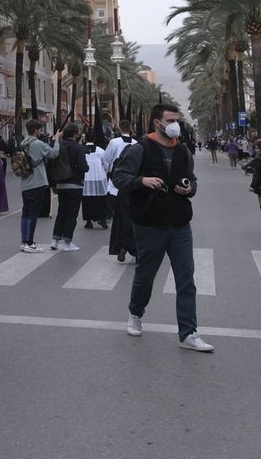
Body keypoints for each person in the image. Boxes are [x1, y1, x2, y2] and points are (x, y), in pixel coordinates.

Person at [110, 104, 213, 353]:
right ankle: (135, 314)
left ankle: (188, 333)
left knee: (186, 279)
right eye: (170, 120)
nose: (175, 124)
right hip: (149, 224)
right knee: (146, 276)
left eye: (177, 119)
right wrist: (141, 180)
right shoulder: (139, 149)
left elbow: (193, 178)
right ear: (157, 123)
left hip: (180, 224)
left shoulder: (183, 150)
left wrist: (190, 189)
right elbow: (118, 176)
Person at [17, 119, 56, 253]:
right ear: (35, 130)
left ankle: (24, 241)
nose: (40, 132)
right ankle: (29, 242)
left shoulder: (23, 143)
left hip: (25, 183)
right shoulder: (38, 144)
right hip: (37, 182)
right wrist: (56, 140)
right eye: (40, 130)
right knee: (33, 213)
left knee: (26, 213)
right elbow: (53, 153)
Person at [50, 124, 87, 251]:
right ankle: (67, 242)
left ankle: (54, 240)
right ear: (75, 134)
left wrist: (53, 184)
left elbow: (51, 165)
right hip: (75, 184)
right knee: (72, 214)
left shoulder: (58, 146)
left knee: (61, 212)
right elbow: (84, 166)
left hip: (60, 184)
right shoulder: (78, 147)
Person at [104, 124, 137, 262]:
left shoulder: (113, 143)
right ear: (130, 129)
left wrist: (110, 173)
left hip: (118, 187)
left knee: (121, 219)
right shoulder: (137, 144)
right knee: (135, 220)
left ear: (119, 129)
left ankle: (122, 245)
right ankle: (136, 250)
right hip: (135, 188)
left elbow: (106, 159)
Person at [82, 139, 111, 230]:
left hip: (86, 178)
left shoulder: (81, 149)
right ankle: (102, 218)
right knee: (100, 199)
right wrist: (105, 172)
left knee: (87, 199)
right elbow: (106, 163)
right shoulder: (100, 150)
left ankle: (88, 221)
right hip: (99, 177)